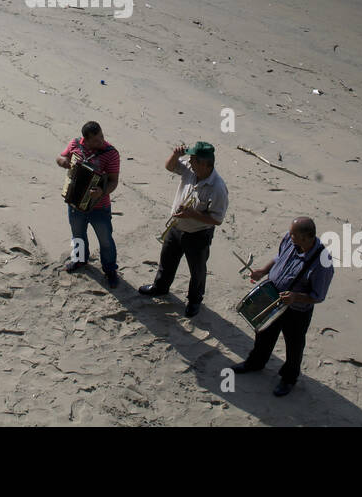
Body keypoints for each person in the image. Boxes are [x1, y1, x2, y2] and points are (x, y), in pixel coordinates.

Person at [232, 217, 333, 396]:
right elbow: (278, 258)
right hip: (272, 298)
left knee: (294, 345)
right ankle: (255, 363)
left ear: (306, 237)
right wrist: (263, 271)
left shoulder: (323, 263)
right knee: (263, 333)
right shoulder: (289, 239)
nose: (289, 236)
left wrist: (295, 297)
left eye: (294, 234)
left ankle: (288, 379)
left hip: (296, 311)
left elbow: (318, 296)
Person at [139, 141, 228, 318]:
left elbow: (217, 219)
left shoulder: (217, 188)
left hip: (198, 234)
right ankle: (160, 287)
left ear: (204, 163)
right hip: (176, 227)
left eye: (193, 159)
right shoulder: (191, 168)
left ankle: (194, 300)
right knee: (167, 260)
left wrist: (192, 214)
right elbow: (170, 167)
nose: (189, 161)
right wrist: (175, 155)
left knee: (197, 270)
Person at [56, 121, 121, 288]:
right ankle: (79, 260)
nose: (101, 142)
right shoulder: (75, 144)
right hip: (75, 202)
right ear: (86, 140)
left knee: (105, 240)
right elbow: (60, 157)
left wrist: (102, 191)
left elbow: (114, 181)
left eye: (102, 137)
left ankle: (110, 270)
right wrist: (65, 163)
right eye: (96, 140)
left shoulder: (111, 153)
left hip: (99, 206)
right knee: (77, 234)